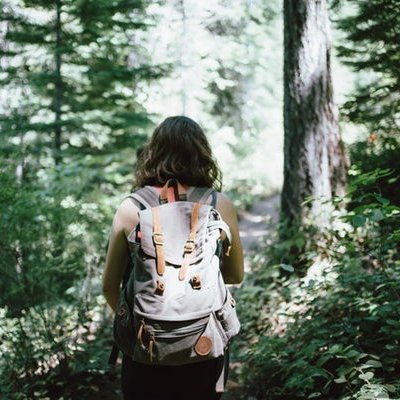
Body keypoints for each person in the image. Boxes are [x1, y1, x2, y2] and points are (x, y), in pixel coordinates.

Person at [102, 115, 244, 400]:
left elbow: (109, 286)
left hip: (145, 347)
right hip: (203, 343)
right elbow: (235, 276)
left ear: (153, 153)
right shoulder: (219, 204)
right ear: (201, 153)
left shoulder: (131, 208)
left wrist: (138, 323)